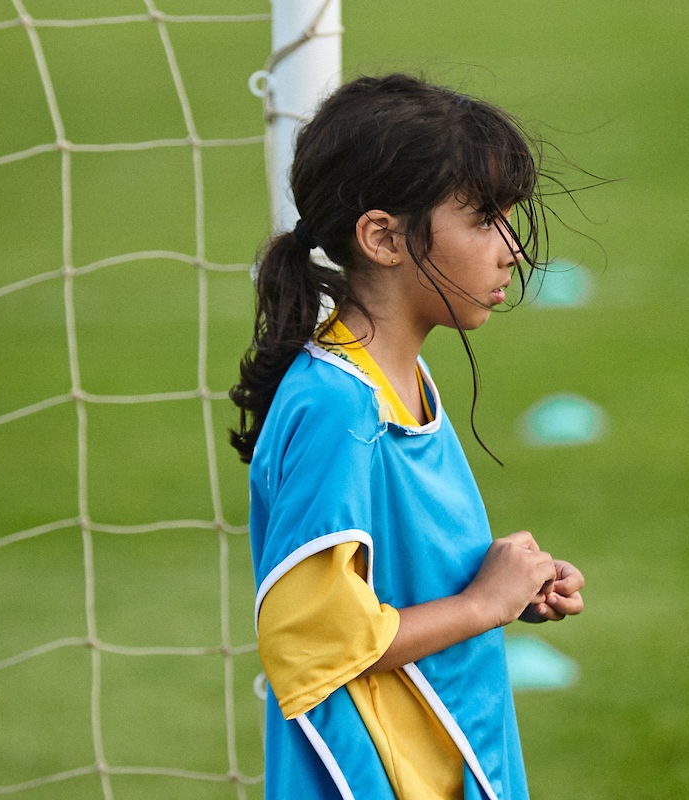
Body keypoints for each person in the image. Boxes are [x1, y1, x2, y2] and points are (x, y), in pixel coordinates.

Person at [230, 74, 585, 800]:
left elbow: (379, 588)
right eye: (486, 219)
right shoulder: (338, 408)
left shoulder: (399, 377)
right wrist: (481, 605)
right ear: (384, 237)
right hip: (368, 779)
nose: (513, 250)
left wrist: (502, 585)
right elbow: (312, 646)